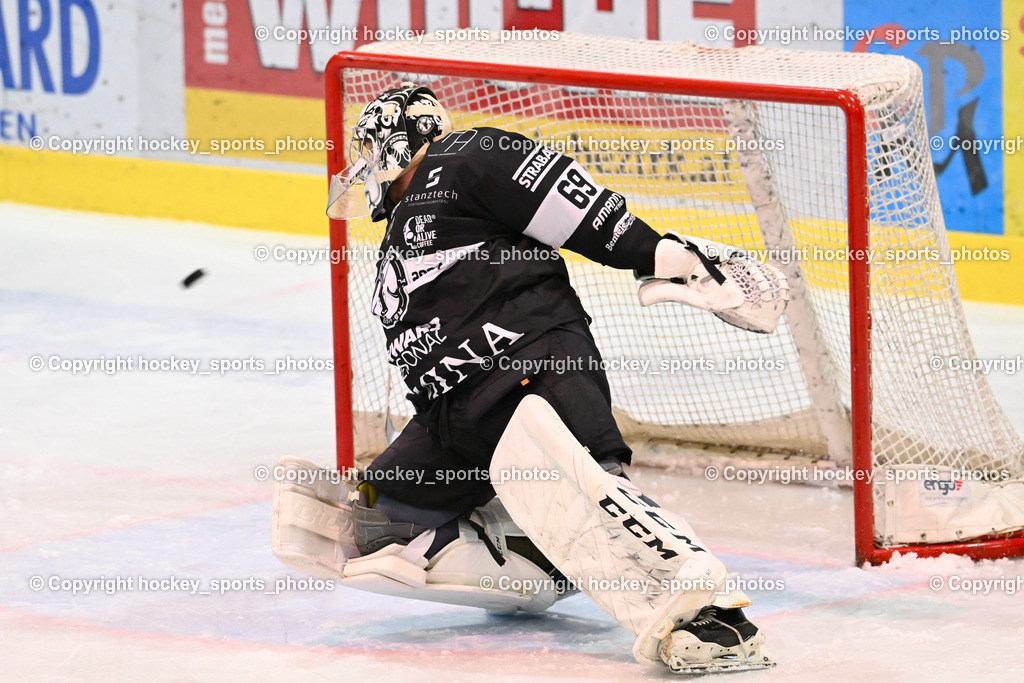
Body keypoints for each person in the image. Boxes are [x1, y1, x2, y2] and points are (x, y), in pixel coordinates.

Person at [281, 83, 786, 674]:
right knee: (375, 522)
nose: (364, 168)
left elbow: (579, 209)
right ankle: (538, 556)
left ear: (395, 140)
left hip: (532, 369)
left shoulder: (468, 156)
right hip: (451, 413)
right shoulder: (404, 227)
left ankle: (716, 618)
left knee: (578, 494)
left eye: (369, 149)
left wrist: (665, 256)